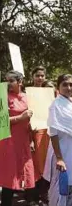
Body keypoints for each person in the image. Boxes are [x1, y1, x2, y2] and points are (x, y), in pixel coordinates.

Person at [0, 70, 36, 206]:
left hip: (24, 140)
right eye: (7, 80)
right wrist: (20, 118)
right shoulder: (4, 97)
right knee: (9, 176)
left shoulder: (27, 96)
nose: (8, 83)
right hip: (9, 141)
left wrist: (32, 125)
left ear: (20, 82)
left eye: (11, 80)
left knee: (26, 173)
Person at [43, 74, 72, 206]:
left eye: (71, 85)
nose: (68, 87)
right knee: (61, 189)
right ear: (58, 87)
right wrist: (59, 158)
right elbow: (53, 134)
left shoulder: (70, 103)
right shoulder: (56, 105)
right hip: (62, 152)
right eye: (65, 84)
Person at [31, 66, 50, 205]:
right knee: (33, 164)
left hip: (46, 133)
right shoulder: (28, 92)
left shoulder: (48, 93)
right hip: (32, 132)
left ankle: (44, 194)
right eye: (37, 75)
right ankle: (32, 195)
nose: (40, 78)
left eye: (42, 76)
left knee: (45, 163)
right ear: (32, 76)